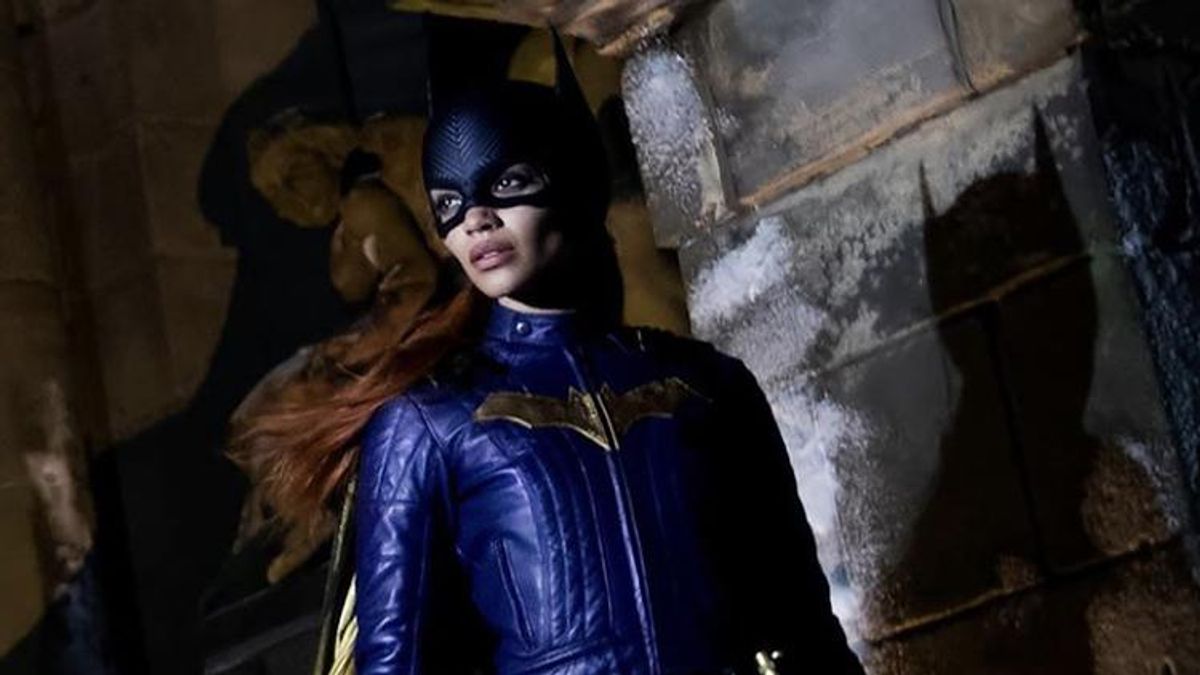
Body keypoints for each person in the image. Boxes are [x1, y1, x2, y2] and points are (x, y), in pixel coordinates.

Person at [233, 35, 862, 675]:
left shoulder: (707, 383)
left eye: (507, 182)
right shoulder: (429, 422)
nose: (475, 220)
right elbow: (395, 662)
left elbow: (806, 626)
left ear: (575, 183)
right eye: (449, 204)